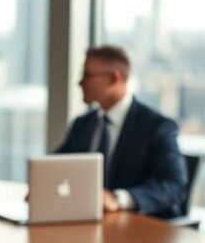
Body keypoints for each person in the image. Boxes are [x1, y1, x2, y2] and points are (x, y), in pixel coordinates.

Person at [54, 45, 188, 217]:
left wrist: (118, 199)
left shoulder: (157, 127)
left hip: (139, 231)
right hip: (88, 222)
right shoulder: (82, 125)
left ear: (113, 78)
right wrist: (43, 188)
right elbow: (55, 166)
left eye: (87, 75)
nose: (80, 82)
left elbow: (174, 186)